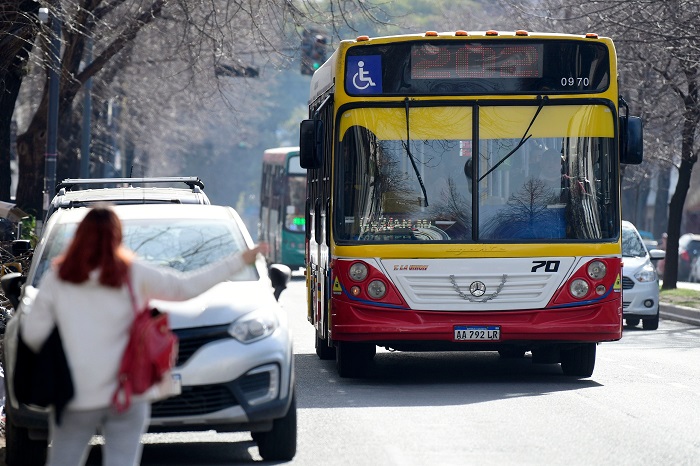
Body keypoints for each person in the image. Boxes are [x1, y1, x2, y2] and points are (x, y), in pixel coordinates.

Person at [20, 205, 266, 466]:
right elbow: (186, 287)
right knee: (122, 460)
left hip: (73, 393)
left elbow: (33, 333)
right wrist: (239, 260)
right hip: (127, 390)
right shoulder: (132, 274)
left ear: (79, 237)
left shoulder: (59, 278)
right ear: (117, 236)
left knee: (63, 460)